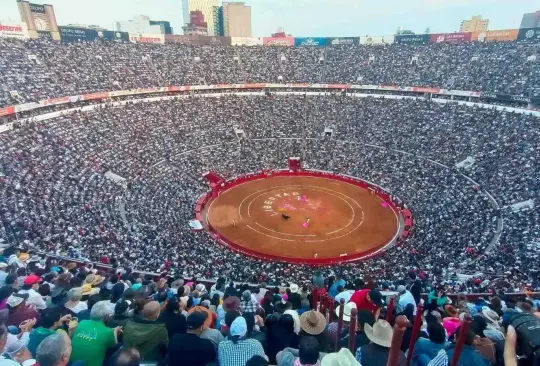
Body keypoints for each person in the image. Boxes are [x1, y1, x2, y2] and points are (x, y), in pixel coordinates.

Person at [70, 301, 121, 366]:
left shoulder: (82, 322)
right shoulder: (109, 332)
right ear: (106, 317)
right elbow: (114, 344)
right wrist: (115, 331)